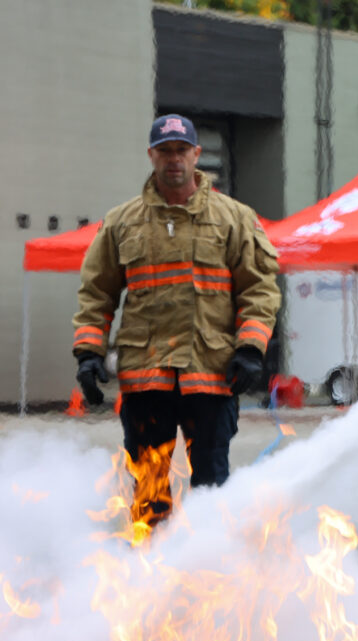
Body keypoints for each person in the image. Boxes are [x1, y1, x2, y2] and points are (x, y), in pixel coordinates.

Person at [73, 114, 281, 536]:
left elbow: (260, 289)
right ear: (151, 155)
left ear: (196, 155)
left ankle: (209, 575)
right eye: (165, 151)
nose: (174, 160)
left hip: (212, 375)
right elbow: (97, 293)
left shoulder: (234, 218)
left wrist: (249, 348)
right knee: (148, 490)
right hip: (145, 376)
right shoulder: (121, 222)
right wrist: (88, 353)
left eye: (181, 150)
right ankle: (150, 579)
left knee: (211, 487)